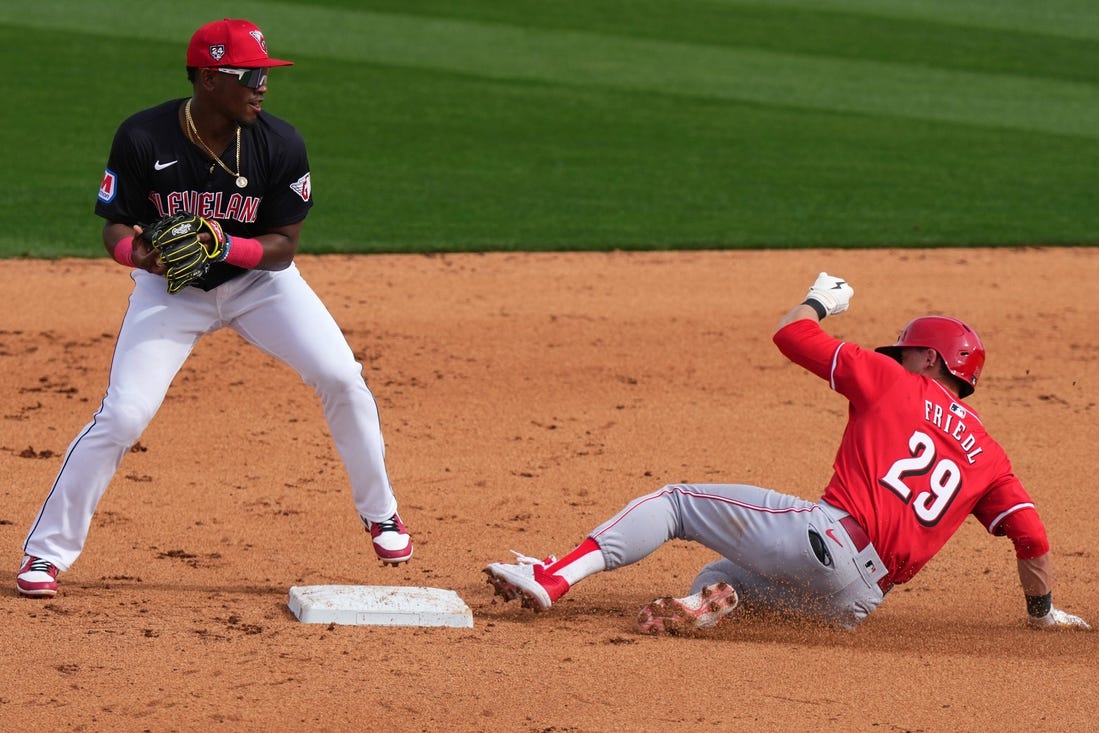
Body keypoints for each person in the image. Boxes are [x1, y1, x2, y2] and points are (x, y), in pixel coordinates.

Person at [16, 18, 411, 598]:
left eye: (264, 74)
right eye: (248, 74)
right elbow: (115, 225)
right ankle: (45, 554)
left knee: (341, 376)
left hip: (260, 286)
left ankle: (381, 513)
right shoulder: (143, 136)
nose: (262, 85)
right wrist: (139, 254)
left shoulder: (282, 142)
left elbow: (283, 248)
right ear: (207, 78)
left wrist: (225, 245)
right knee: (123, 415)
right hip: (172, 292)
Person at [484, 273, 1090, 634]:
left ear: (929, 360)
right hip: (854, 603)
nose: (896, 356)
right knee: (723, 574)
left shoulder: (894, 379)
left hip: (823, 540)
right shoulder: (991, 455)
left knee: (676, 504)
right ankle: (707, 604)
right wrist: (1041, 613)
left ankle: (553, 579)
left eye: (905, 350)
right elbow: (1032, 539)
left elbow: (791, 334)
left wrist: (820, 301)